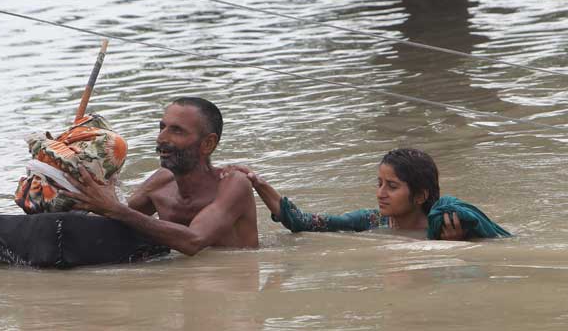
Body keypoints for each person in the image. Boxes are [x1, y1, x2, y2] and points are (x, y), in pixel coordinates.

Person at [62, 97, 259, 255]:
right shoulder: (161, 182)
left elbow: (193, 241)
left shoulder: (233, 183)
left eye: (177, 131)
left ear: (207, 144)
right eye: (162, 127)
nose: (161, 138)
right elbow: (112, 217)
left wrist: (115, 209)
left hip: (231, 293)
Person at [226, 148, 510, 240]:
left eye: (392, 186)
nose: (380, 193)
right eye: (379, 183)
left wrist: (455, 246)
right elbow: (303, 222)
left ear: (421, 196)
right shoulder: (372, 221)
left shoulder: (448, 226)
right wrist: (257, 183)